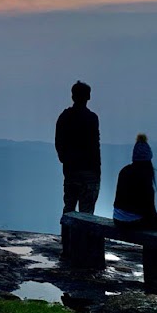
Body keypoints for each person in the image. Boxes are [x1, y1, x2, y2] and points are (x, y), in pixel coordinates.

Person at [113, 133, 157, 232]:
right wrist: (156, 220)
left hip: (117, 219)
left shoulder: (124, 171)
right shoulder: (144, 176)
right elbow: (149, 209)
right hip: (132, 221)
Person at [55, 80, 101, 214]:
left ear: (73, 96)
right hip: (90, 171)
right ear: (88, 97)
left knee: (69, 207)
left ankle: (66, 235)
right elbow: (95, 146)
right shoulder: (92, 118)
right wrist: (97, 171)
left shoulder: (64, 117)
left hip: (71, 170)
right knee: (86, 213)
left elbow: (58, 142)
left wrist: (65, 159)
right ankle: (83, 236)